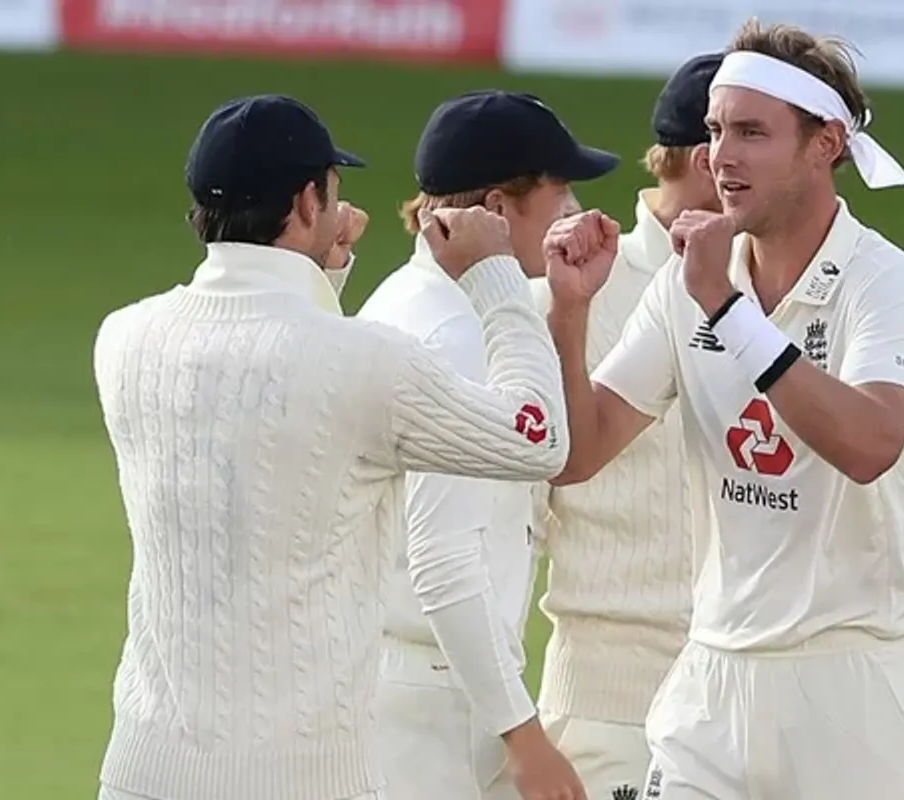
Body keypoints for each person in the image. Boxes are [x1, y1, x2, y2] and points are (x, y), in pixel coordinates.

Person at [91, 94, 573, 800]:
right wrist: (496, 276)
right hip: (303, 779)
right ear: (308, 201)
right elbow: (539, 439)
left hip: (143, 770)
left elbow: (273, 406)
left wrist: (324, 280)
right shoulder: (364, 361)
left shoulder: (123, 339)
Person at [544, 20, 904, 800]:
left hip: (856, 690)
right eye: (716, 130)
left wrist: (728, 311)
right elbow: (578, 452)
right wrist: (567, 315)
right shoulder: (691, 280)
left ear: (825, 142)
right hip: (712, 682)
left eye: (752, 133)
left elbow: (869, 444)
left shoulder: (887, 284)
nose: (720, 157)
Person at [356, 89, 617, 800]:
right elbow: (444, 562)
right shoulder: (457, 337)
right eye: (558, 193)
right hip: (438, 704)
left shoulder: (400, 300)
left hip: (402, 685)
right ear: (498, 211)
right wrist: (524, 737)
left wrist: (567, 307)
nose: (569, 214)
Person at [527, 54, 723, 800]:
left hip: (747, 694)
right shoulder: (571, 288)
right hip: (613, 710)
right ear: (712, 160)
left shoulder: (769, 286)